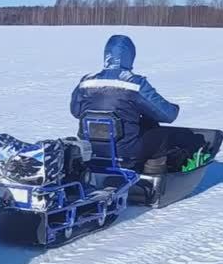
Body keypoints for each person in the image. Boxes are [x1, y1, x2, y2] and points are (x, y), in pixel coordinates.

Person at [70, 34, 203, 168]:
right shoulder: (133, 83)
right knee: (165, 137)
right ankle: (155, 175)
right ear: (130, 56)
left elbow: (75, 112)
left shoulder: (86, 82)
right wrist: (173, 108)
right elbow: (168, 115)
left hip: (89, 150)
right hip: (126, 152)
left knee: (144, 125)